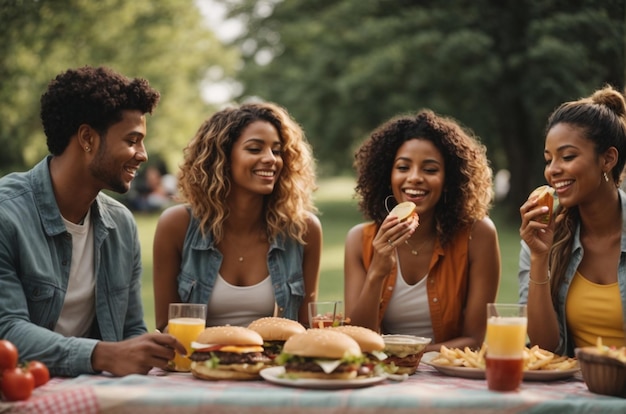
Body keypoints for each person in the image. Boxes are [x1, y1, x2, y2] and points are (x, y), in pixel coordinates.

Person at [0, 66, 185, 377]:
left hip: (93, 395)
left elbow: (130, 331)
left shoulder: (121, 225)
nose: (142, 154)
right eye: (133, 140)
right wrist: (103, 355)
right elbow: (7, 330)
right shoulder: (7, 215)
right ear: (87, 138)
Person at [152, 102, 322, 332]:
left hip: (274, 366)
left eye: (277, 150)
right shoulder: (177, 225)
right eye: (255, 149)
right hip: (197, 364)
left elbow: (305, 326)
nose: (271, 158)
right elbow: (165, 326)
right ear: (221, 157)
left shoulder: (303, 230)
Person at [344, 109, 500, 352]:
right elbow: (357, 339)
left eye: (430, 170)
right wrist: (377, 271)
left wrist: (407, 355)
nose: (415, 178)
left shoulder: (477, 235)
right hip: (381, 376)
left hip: (449, 377)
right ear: (388, 175)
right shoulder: (359, 240)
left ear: (449, 180)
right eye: (403, 167)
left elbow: (475, 339)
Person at [519, 85, 626, 356]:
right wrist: (538, 258)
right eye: (548, 159)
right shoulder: (544, 235)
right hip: (580, 392)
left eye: (567, 157)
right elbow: (546, 349)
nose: (553, 170)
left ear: (608, 159)